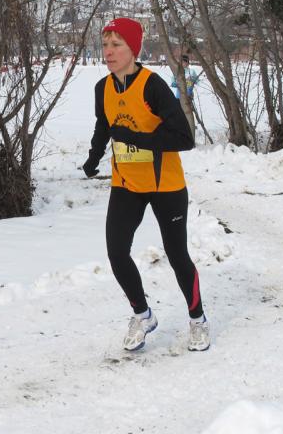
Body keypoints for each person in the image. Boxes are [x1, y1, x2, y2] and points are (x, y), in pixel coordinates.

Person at [82, 18, 210, 352]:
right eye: (106, 44)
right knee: (116, 252)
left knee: (177, 254)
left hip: (164, 184)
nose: (108, 51)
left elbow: (184, 138)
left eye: (116, 45)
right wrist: (94, 156)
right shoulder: (103, 88)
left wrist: (137, 138)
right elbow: (104, 126)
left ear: (133, 49)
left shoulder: (152, 86)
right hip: (126, 183)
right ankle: (143, 314)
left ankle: (197, 319)